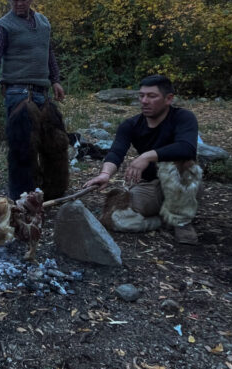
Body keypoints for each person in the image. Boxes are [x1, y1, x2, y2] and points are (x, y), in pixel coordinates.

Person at [84, 75, 202, 244]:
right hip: (150, 185)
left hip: (182, 182)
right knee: (117, 219)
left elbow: (187, 148)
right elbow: (116, 152)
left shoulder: (183, 117)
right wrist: (105, 174)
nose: (144, 101)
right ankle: (163, 220)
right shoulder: (130, 125)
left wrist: (147, 155)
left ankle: (181, 221)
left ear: (169, 99)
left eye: (152, 96)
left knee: (180, 163)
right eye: (141, 95)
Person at [0, 0, 70, 201]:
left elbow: (48, 53)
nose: (18, 3)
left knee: (56, 143)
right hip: (17, 92)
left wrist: (56, 80)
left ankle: (53, 195)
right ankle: (21, 198)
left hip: (43, 93)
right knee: (23, 148)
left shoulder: (43, 23)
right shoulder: (3, 25)